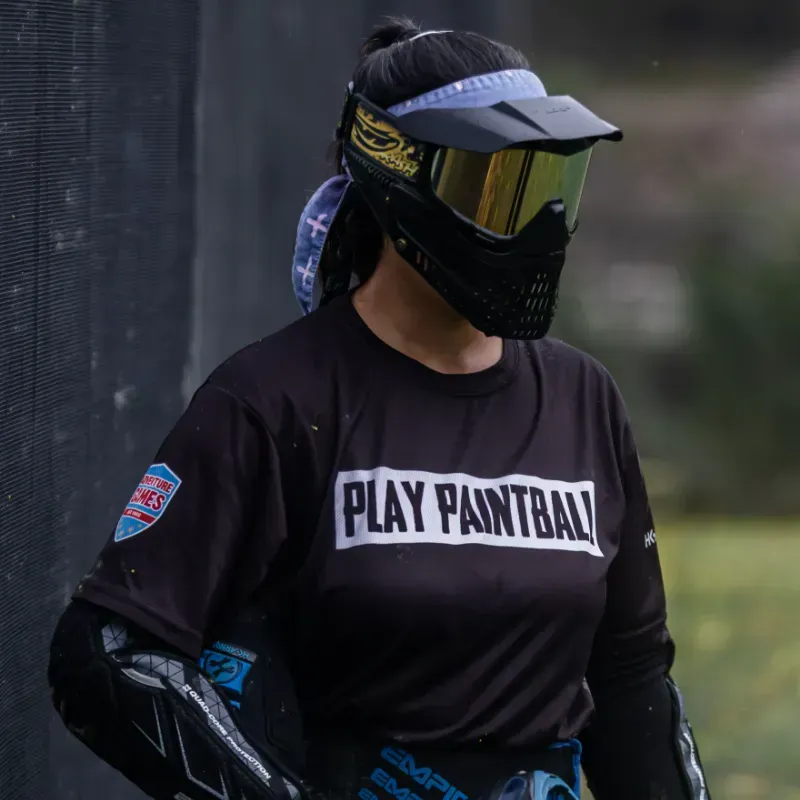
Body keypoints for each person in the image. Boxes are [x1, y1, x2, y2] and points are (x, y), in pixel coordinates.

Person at [48, 17, 710, 800]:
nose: (536, 227)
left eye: (551, 189)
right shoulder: (274, 400)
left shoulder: (584, 397)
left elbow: (630, 678)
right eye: (499, 191)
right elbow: (108, 654)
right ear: (398, 181)